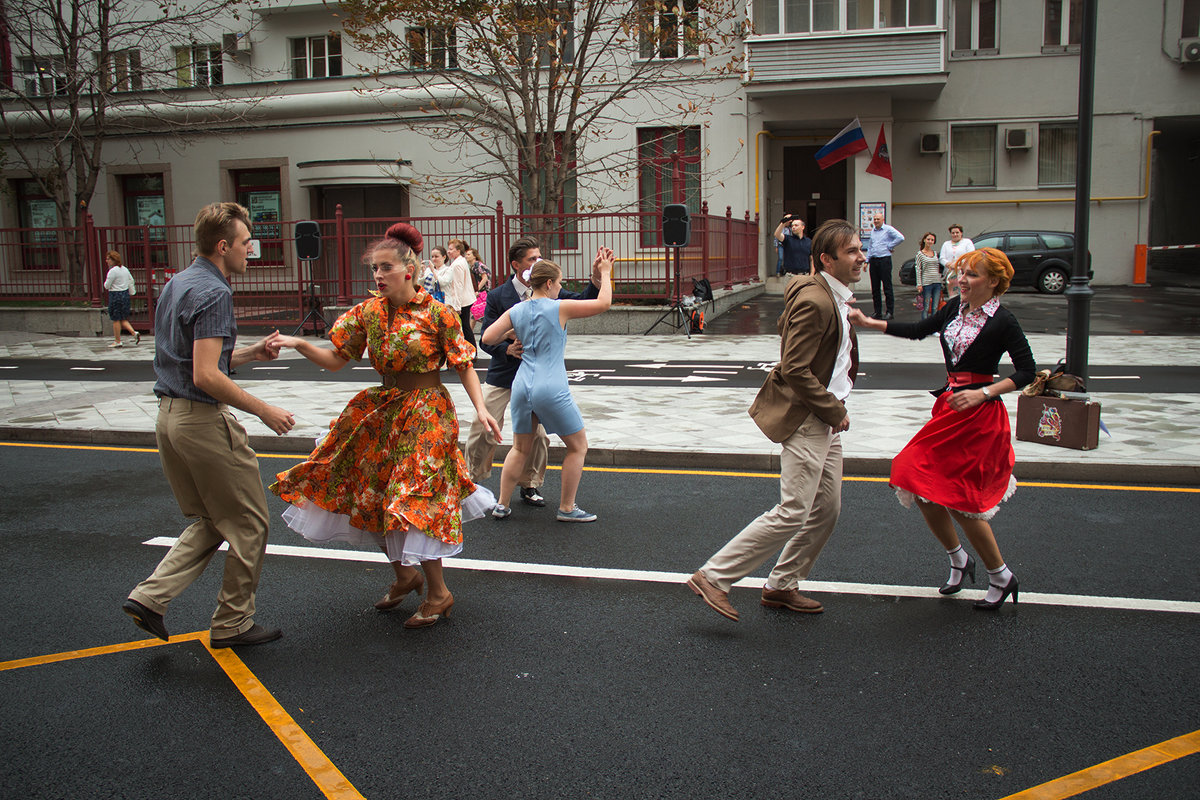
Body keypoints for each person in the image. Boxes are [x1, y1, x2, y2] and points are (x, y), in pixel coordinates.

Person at [270, 223, 500, 629]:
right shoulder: (368, 312)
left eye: (385, 267)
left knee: (412, 497)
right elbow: (337, 358)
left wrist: (480, 409)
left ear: (408, 270)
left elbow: (463, 365)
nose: (377, 275)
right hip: (382, 410)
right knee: (368, 492)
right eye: (374, 268)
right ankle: (404, 575)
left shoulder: (438, 313)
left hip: (427, 411)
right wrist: (301, 345)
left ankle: (439, 592)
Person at [122, 202, 294, 648]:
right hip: (201, 423)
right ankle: (233, 622)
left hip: (169, 420)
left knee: (213, 518)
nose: (249, 251)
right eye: (245, 243)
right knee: (251, 523)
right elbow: (205, 375)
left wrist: (252, 353)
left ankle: (150, 597)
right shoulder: (216, 292)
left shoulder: (179, 282)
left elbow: (190, 362)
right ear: (224, 246)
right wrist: (264, 410)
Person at [687, 219, 862, 622]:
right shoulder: (816, 301)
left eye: (859, 249)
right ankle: (714, 576)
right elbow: (795, 369)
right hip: (809, 417)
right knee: (794, 509)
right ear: (826, 259)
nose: (861, 257)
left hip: (826, 415)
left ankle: (782, 585)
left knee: (826, 508)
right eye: (852, 251)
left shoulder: (835, 295)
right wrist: (834, 410)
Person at [847, 248, 1035, 610]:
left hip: (980, 418)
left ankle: (1000, 575)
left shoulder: (1003, 321)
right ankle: (959, 558)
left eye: (971, 275)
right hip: (948, 410)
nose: (960, 280)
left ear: (993, 282)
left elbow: (1027, 371)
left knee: (963, 502)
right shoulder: (954, 309)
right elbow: (919, 330)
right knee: (912, 476)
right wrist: (870, 323)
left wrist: (983, 393)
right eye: (960, 273)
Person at [465, 236, 602, 508]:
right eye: (531, 258)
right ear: (516, 264)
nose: (536, 262)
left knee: (537, 438)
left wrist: (597, 278)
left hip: (533, 381)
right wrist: (508, 347)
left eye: (539, 257)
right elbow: (486, 339)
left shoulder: (551, 290)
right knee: (483, 427)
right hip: (506, 375)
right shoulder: (498, 297)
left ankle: (530, 485)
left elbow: (586, 299)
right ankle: (471, 481)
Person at [440, 238, 478, 350]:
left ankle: (471, 350)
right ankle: (470, 350)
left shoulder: (457, 265)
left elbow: (457, 286)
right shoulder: (461, 261)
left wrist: (457, 305)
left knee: (464, 326)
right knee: (465, 326)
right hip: (466, 299)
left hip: (462, 301)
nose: (448, 251)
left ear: (458, 250)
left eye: (451, 249)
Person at [867, 211, 904, 320]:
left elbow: (900, 237)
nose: (876, 221)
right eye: (875, 219)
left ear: (883, 220)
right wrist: (867, 260)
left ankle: (889, 312)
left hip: (884, 260)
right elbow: (870, 246)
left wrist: (890, 245)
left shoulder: (888, 229)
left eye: (878, 219)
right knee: (875, 288)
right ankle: (877, 312)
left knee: (887, 287)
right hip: (874, 261)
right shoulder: (873, 232)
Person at [103, 250, 140, 347]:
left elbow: (107, 286)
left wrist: (107, 284)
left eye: (108, 259)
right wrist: (132, 292)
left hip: (115, 295)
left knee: (115, 319)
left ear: (113, 260)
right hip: (125, 295)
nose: (107, 261)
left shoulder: (112, 271)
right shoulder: (124, 269)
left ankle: (117, 340)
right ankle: (134, 333)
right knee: (122, 317)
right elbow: (131, 280)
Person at [939, 224, 974, 301]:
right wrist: (949, 264)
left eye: (957, 232)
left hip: (962, 273)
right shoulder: (946, 244)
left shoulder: (967, 242)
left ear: (961, 233)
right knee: (952, 297)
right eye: (953, 233)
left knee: (964, 294)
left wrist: (957, 264)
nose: (955, 234)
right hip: (950, 274)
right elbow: (942, 258)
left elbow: (970, 256)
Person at [914, 232, 942, 319]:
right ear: (924, 240)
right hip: (926, 283)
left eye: (932, 240)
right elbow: (918, 269)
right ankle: (924, 326)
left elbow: (938, 267)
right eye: (928, 239)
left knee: (935, 307)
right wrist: (919, 284)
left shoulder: (935, 253)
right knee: (926, 307)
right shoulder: (920, 254)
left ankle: (934, 327)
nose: (930, 241)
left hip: (937, 282)